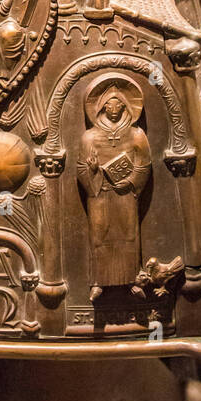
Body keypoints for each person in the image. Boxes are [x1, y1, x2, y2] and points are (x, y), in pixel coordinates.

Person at [76, 82, 151, 298]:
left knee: (129, 234)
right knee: (99, 234)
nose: (114, 109)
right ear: (102, 108)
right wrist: (93, 171)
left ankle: (132, 279)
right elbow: (81, 167)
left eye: (118, 105)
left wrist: (129, 182)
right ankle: (99, 281)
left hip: (126, 194)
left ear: (126, 107)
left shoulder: (136, 135)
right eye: (109, 105)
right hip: (100, 194)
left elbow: (144, 164)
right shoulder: (89, 136)